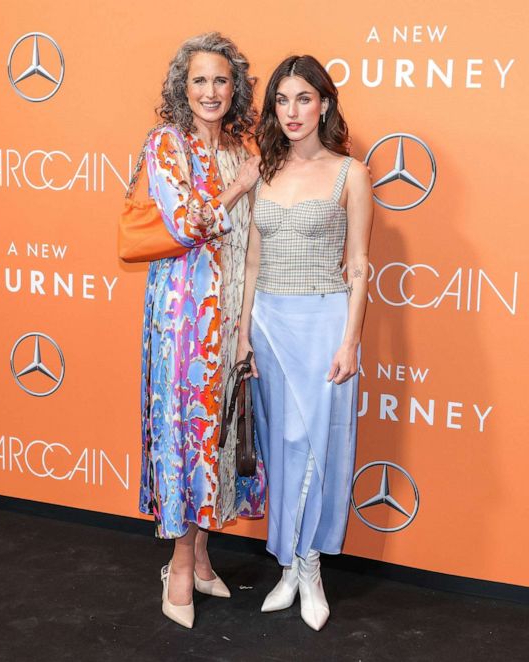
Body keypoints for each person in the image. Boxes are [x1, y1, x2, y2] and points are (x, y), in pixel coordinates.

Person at [127, 32, 266, 629]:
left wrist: (244, 328)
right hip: (182, 322)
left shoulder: (242, 149)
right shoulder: (167, 145)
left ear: (235, 89)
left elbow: (255, 245)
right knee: (185, 436)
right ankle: (180, 564)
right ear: (182, 89)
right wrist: (240, 186)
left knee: (216, 437)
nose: (211, 92)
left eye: (221, 80)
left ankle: (204, 553)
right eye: (199, 81)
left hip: (231, 318)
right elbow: (188, 223)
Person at [237, 54, 373, 631]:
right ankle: (289, 567)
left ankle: (310, 565)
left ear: (325, 104)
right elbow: (250, 262)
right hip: (268, 320)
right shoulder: (261, 173)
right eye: (282, 100)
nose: (292, 112)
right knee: (283, 445)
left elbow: (361, 266)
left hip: (323, 322)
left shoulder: (351, 174)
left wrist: (351, 341)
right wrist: (242, 334)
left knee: (317, 445)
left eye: (304, 99)